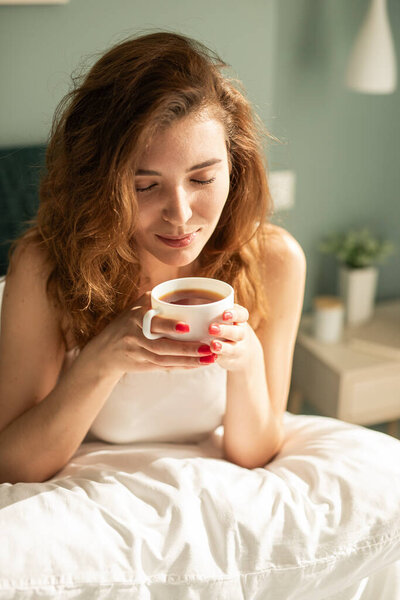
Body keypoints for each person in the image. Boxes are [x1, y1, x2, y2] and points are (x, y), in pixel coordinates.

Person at [0, 31, 306, 483]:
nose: (181, 216)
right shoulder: (47, 264)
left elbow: (255, 452)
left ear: (234, 166)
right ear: (100, 184)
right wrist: (101, 360)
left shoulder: (275, 261)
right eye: (144, 186)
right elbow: (13, 463)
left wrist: (246, 362)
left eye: (202, 179)